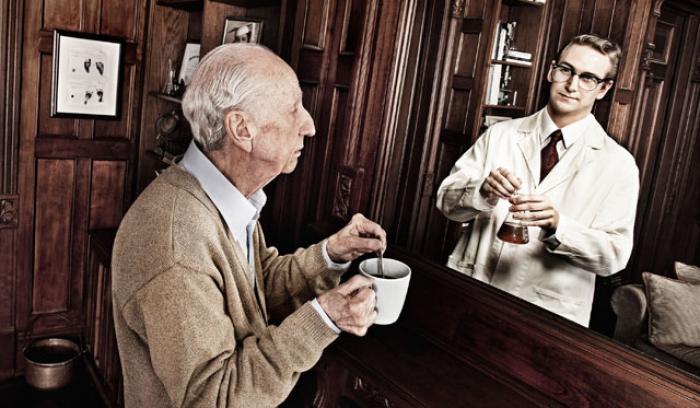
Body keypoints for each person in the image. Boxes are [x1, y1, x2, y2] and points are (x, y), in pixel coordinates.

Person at [111, 43, 386, 407]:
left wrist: (331, 254)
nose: (310, 125)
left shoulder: (223, 198)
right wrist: (324, 319)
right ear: (242, 128)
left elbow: (253, 289)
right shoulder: (176, 242)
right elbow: (215, 398)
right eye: (293, 109)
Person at [436, 34, 640, 327]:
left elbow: (613, 258)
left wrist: (559, 225)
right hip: (471, 289)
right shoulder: (501, 135)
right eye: (566, 70)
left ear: (604, 89)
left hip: (547, 315)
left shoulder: (618, 165)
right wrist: (481, 191)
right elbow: (445, 202)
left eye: (588, 78)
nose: (572, 85)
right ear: (551, 71)